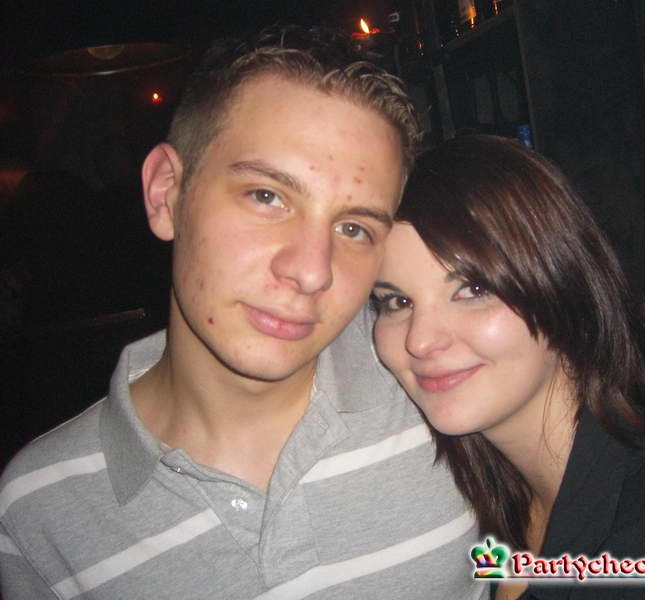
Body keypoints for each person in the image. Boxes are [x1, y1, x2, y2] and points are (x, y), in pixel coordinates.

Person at [0, 27, 485, 599]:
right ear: (166, 193)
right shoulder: (38, 512)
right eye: (267, 196)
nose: (311, 271)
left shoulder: (443, 383)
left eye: (353, 227)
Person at [370, 134, 645, 599]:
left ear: (562, 288)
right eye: (396, 301)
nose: (420, 340)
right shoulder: (483, 483)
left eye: (472, 290)